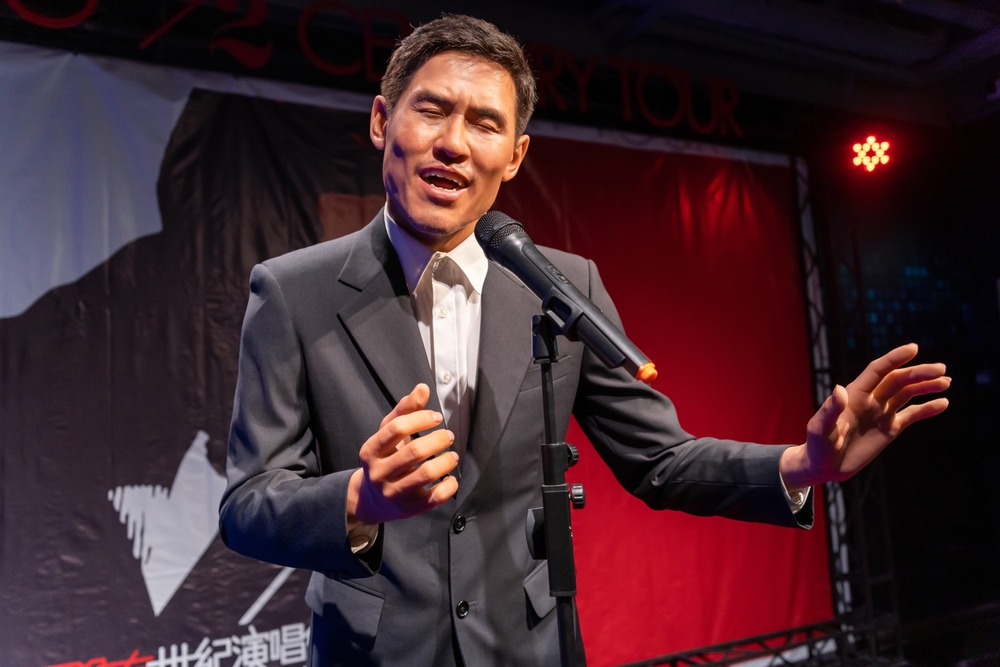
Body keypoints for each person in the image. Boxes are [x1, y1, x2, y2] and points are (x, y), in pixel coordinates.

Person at [219, 14, 950, 667]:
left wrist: (803, 464)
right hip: (370, 651)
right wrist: (357, 497)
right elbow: (248, 505)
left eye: (485, 124)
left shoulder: (564, 285)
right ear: (383, 120)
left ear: (515, 155)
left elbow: (659, 459)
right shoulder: (292, 291)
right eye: (432, 110)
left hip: (531, 647)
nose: (453, 144)